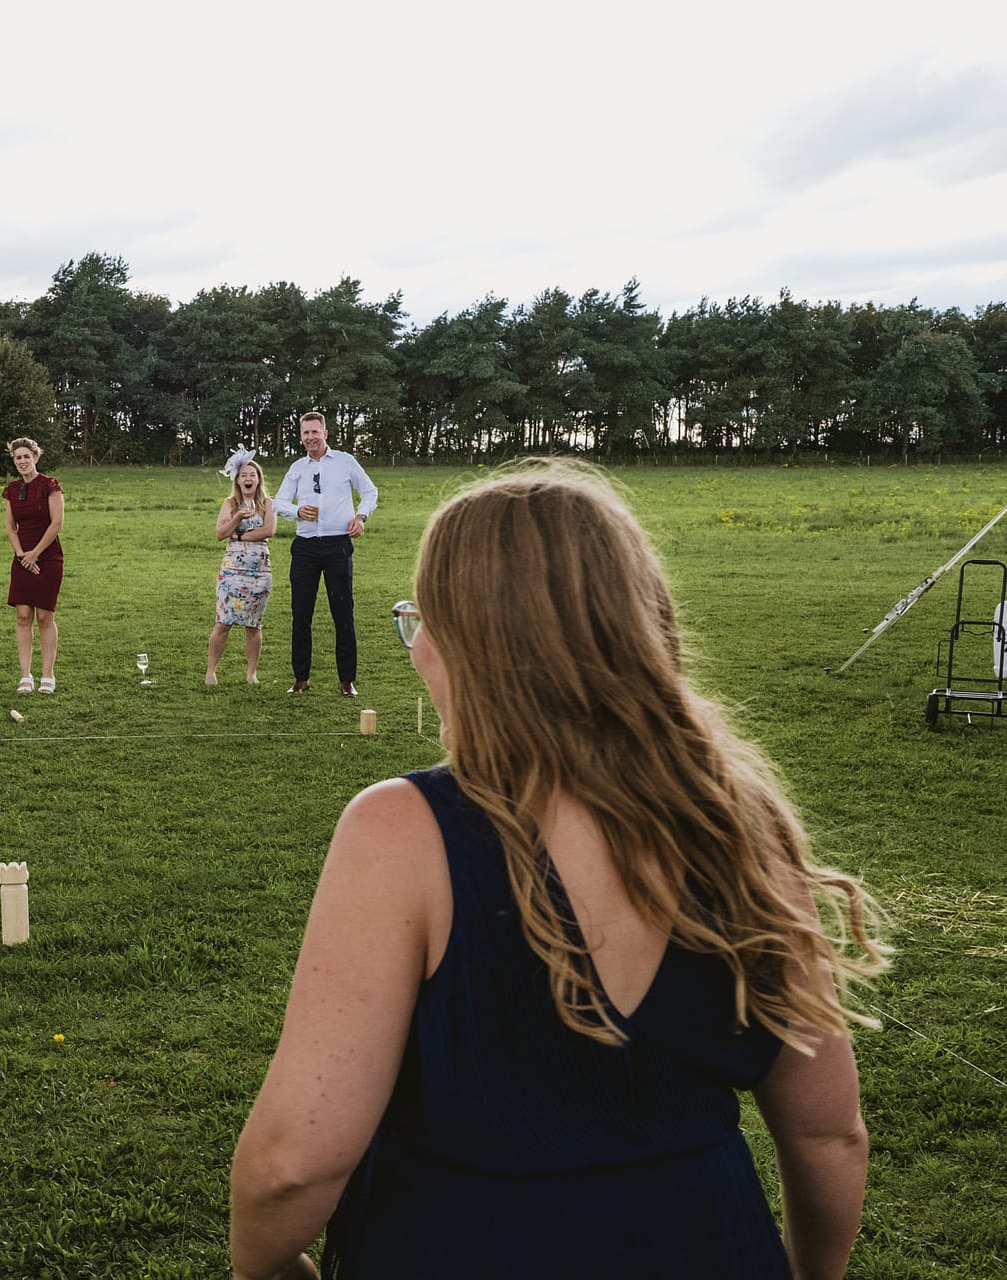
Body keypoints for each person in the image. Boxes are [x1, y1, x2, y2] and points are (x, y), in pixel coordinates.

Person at [229, 460, 888, 1280]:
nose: (419, 646)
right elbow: (829, 1133)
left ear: (481, 642)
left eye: (426, 617)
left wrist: (262, 1267)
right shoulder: (742, 826)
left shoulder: (399, 832)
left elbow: (292, 1163)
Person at [270, 411, 376, 696]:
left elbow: (369, 491)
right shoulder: (297, 468)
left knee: (343, 613)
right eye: (305, 433)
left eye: (315, 432)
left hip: (337, 545)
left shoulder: (345, 462)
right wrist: (296, 511)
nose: (310, 437)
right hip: (305, 547)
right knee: (300, 614)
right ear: (301, 436)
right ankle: (301, 679)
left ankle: (346, 681)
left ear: (325, 434)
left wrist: (361, 516)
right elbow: (277, 502)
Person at [207, 450, 276, 685]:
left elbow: (269, 531)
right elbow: (219, 533)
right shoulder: (230, 503)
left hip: (259, 571)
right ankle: (211, 671)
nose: (248, 478)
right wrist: (236, 518)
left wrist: (239, 535)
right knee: (223, 621)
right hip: (232, 572)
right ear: (237, 479)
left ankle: (251, 673)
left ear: (258, 479)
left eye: (252, 475)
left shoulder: (267, 503)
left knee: (253, 624)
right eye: (243, 474)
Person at [3, 437, 64, 693]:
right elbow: (10, 526)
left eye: (26, 456)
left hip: (48, 558)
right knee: (23, 615)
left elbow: (56, 523)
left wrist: (35, 554)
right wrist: (21, 555)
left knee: (44, 617)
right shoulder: (11, 490)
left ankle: (47, 675)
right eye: (18, 458)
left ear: (35, 458)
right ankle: (25, 675)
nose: (22, 461)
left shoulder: (50, 485)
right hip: (21, 559)